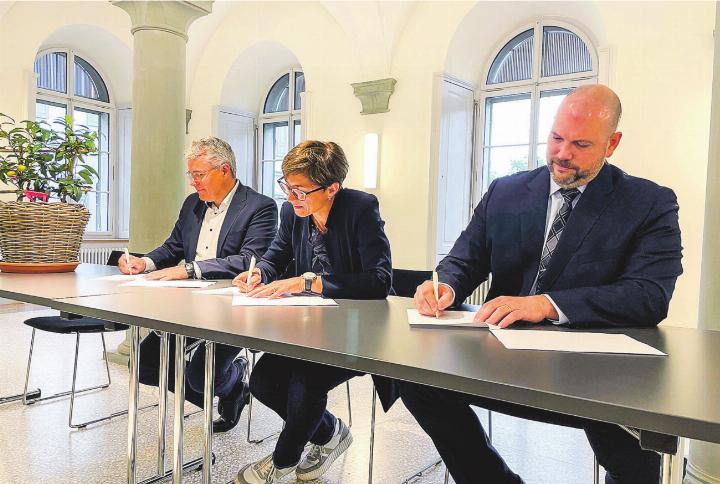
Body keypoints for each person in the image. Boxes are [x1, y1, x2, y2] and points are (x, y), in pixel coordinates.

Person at [400, 85, 683, 484]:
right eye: (556, 138)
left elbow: (650, 296)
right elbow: (466, 258)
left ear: (612, 143)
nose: (562, 154)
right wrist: (445, 285)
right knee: (415, 379)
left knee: (637, 449)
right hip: (502, 358)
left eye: (581, 144)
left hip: (596, 375)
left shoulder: (648, 203)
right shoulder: (506, 190)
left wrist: (548, 304)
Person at [231, 140, 393, 484]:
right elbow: (277, 254)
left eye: (300, 190)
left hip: (359, 329)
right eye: (286, 187)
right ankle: (330, 433)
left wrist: (308, 282)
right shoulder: (293, 212)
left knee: (306, 380)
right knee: (263, 380)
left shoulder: (360, 208)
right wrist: (260, 272)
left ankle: (281, 462)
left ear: (332, 188)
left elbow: (379, 280)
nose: (291, 198)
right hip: (311, 327)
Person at [118, 136, 278, 432]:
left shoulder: (260, 207)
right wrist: (145, 262)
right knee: (145, 364)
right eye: (190, 174)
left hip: (233, 309)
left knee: (200, 375)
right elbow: (173, 246)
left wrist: (190, 270)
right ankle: (232, 391)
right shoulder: (193, 203)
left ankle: (228, 381)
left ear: (225, 170)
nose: (193, 182)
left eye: (199, 174)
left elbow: (249, 260)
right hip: (189, 304)